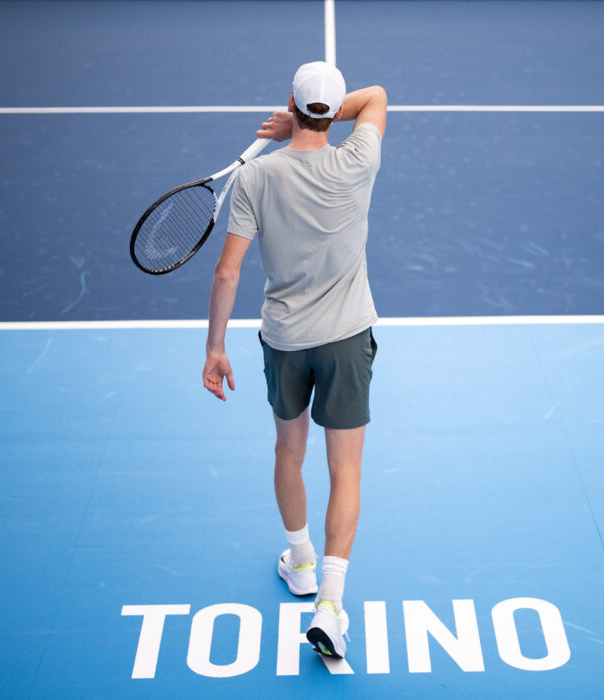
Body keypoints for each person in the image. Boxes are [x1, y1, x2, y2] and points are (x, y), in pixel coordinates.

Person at [201, 61, 387, 661]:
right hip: (346, 339)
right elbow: (376, 96)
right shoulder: (359, 160)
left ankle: (301, 561)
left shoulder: (257, 178)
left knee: (289, 450)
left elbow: (227, 270)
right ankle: (329, 602)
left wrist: (214, 346)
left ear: (288, 103)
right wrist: (305, 121)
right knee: (346, 471)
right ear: (333, 115)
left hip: (285, 341)